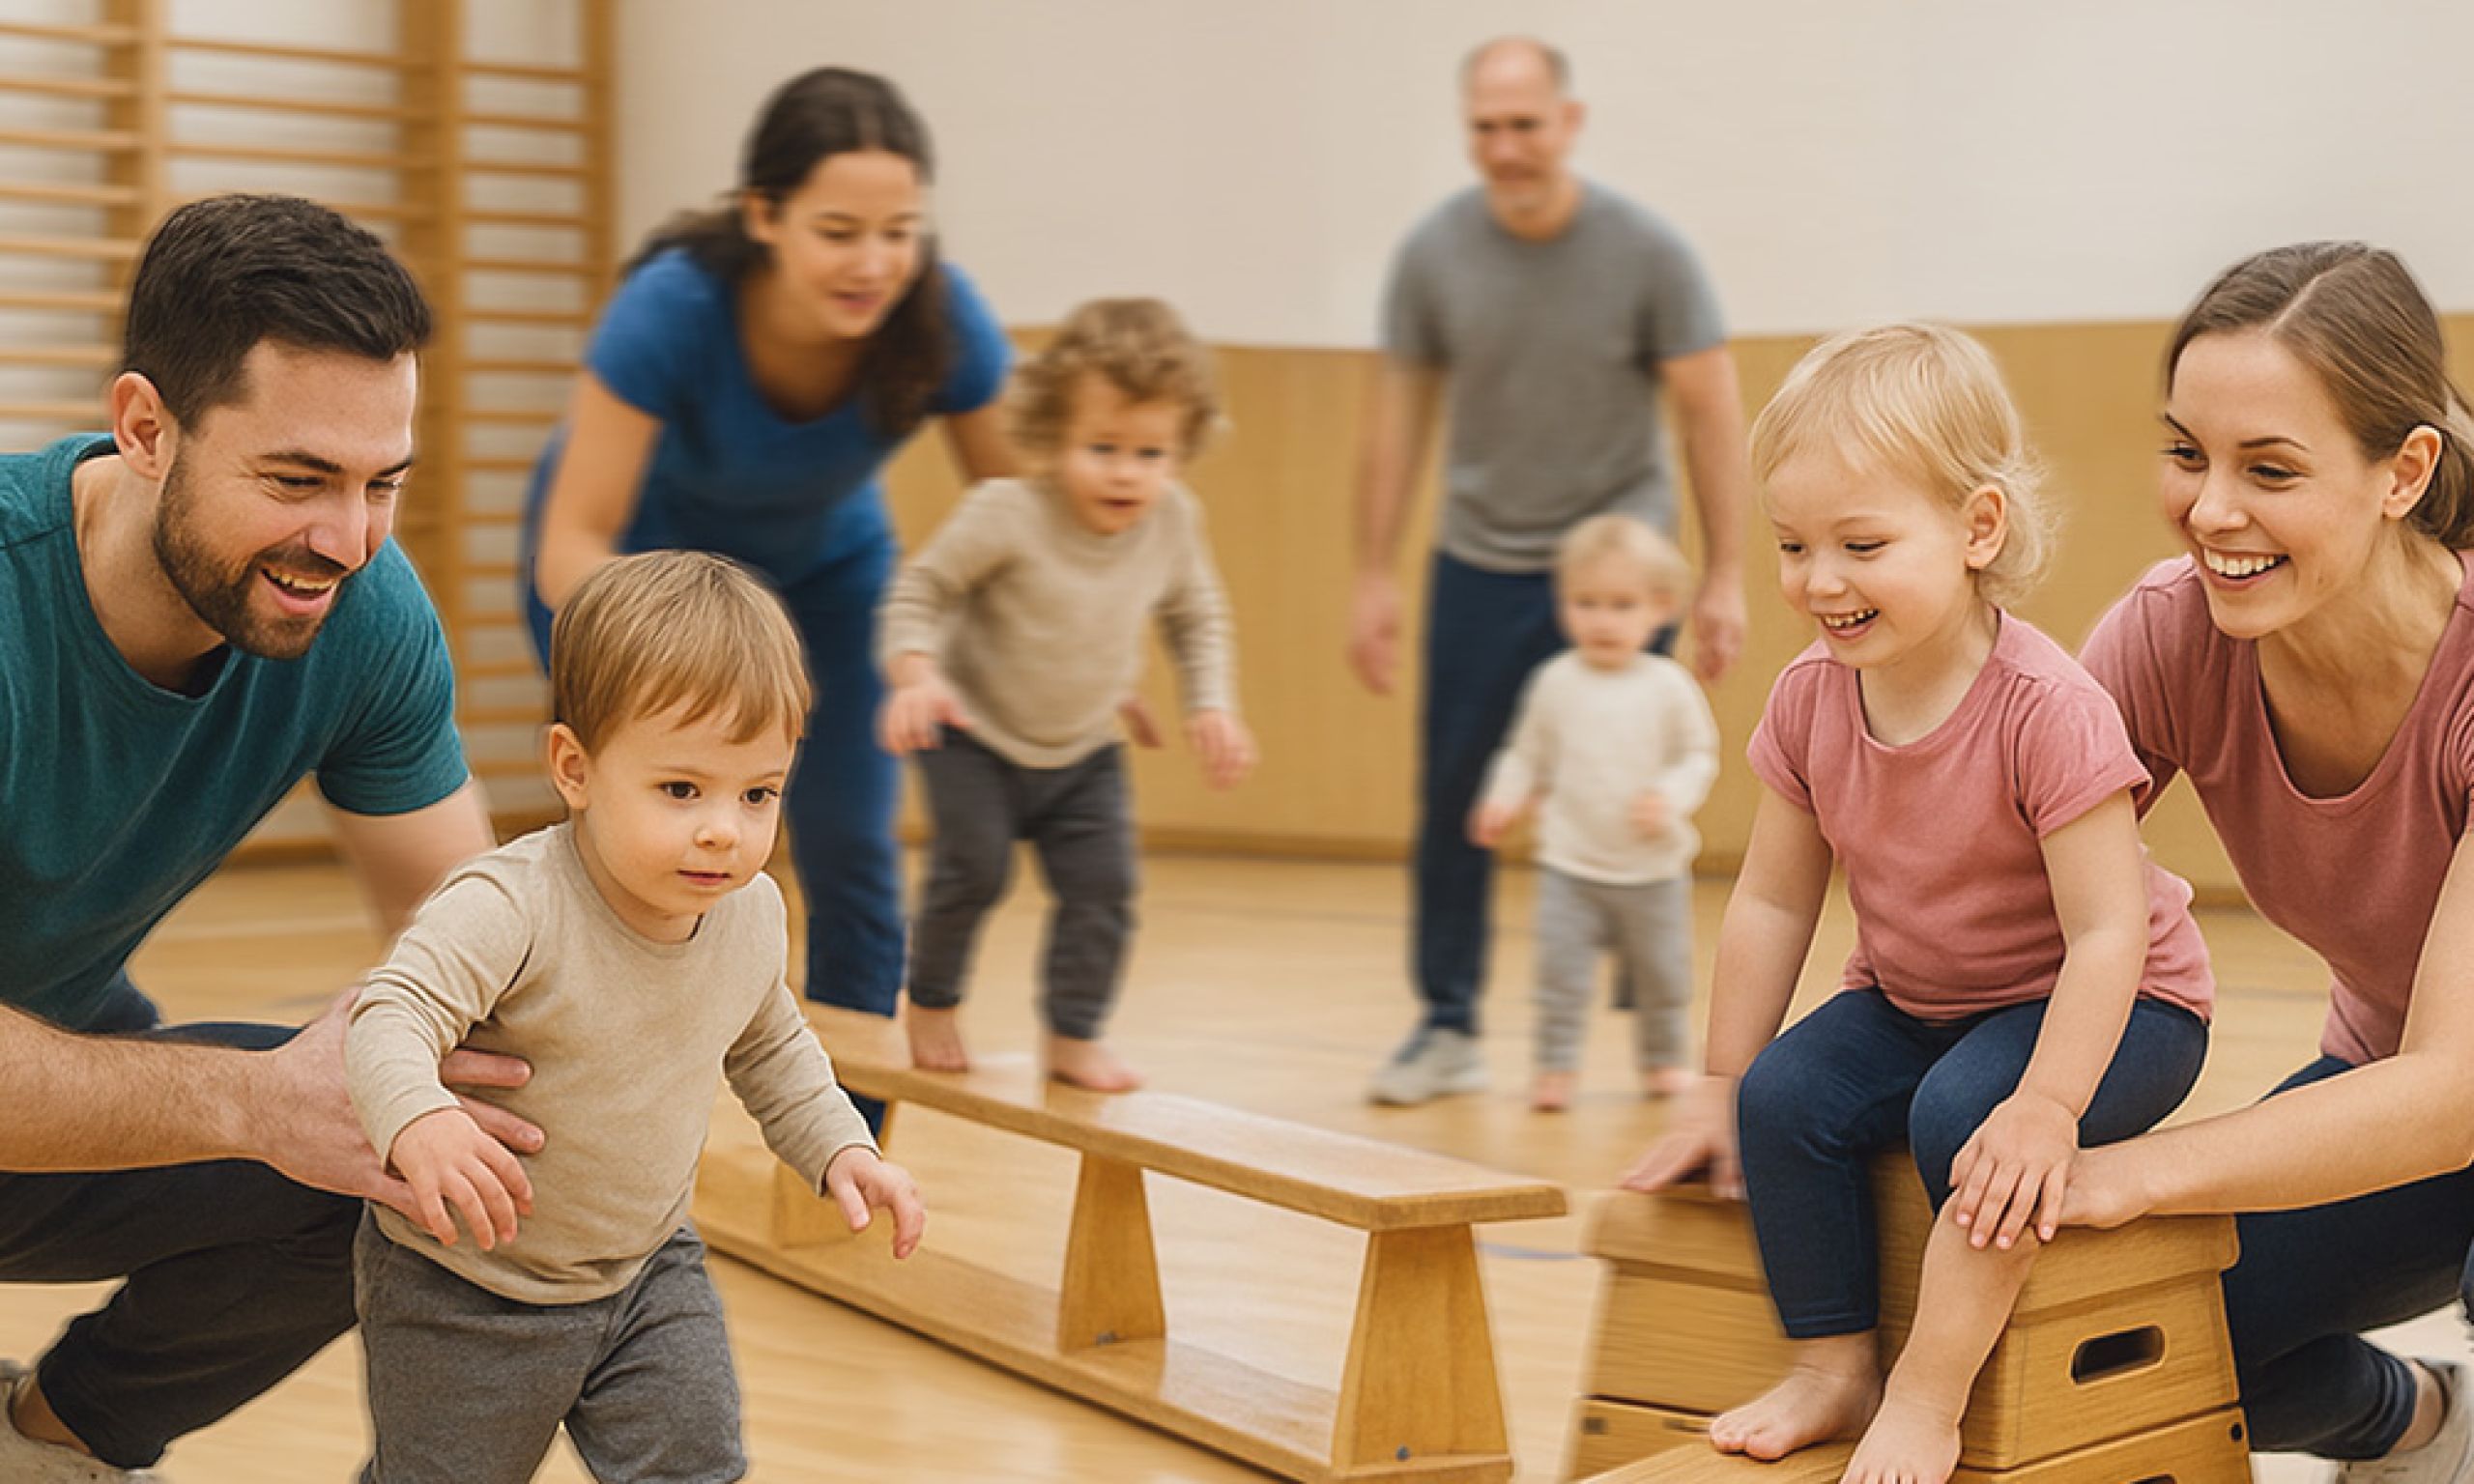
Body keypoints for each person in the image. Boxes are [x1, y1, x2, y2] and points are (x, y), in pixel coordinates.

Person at [0, 193, 538, 1483]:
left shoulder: (363, 615)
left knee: (443, 1128)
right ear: (146, 429)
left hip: (42, 1096)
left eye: (380, 485)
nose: (343, 541)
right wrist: (254, 1099)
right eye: (297, 481)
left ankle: (49, 1444)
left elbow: (478, 949)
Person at [1625, 325, 2213, 1483]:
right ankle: (1831, 1364)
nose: (1818, 581)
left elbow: (2108, 933)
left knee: (1965, 1122)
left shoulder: (2048, 707)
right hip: (1919, 998)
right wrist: (1715, 1085)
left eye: (1861, 543)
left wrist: (2046, 1104)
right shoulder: (1809, 700)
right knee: (1783, 1097)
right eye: (1793, 545)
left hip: (2120, 1005)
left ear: (1976, 529)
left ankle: (1929, 1393)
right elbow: (1770, 904)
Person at [344, 550, 924, 1483]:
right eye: (682, 790)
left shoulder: (751, 913)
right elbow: (388, 1016)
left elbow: (770, 1042)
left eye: (758, 793)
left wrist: (843, 1146)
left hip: (648, 1269)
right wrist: (422, 1119)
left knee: (696, 1467)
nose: (724, 831)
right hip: (468, 1288)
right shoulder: (509, 906)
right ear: (575, 768)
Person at [523, 68, 1016, 1099]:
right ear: (765, 216)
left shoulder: (941, 319)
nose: (873, 263)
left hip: (828, 582)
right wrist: (680, 654)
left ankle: (852, 1145)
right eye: (839, 231)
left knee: (850, 845)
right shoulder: (672, 311)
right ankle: (608, 1102)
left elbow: (1018, 518)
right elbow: (571, 542)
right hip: (631, 584)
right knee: (649, 857)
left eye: (901, 232)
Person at [2063, 243, 2474, 1475]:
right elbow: (1988, 894)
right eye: (2187, 454)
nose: (2211, 511)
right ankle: (2419, 1426)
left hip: (2437, 1095)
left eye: (2270, 470)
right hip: (2392, 1095)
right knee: (2137, 1344)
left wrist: (2131, 1175)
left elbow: (2452, 1087)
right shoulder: (2170, 632)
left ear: (2404, 473)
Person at [1352, 36, 1756, 1105]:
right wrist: (1371, 574)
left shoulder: (1645, 254)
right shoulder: (1434, 254)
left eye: (1524, 124)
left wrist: (1721, 575)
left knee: (1625, 793)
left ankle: (1647, 1023)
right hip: (1480, 559)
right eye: (1485, 127)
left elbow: (1710, 407)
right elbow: (1396, 417)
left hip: (1618, 565)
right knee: (1458, 794)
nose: (1505, 146)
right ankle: (1446, 1022)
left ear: (1567, 124)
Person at [878, 299, 1252, 1093]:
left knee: (1105, 886)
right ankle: (934, 1001)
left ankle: (1074, 1034)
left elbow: (1196, 615)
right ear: (1050, 437)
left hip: (1084, 748)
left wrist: (1210, 703)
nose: (1126, 471)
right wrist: (918, 674)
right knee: (973, 870)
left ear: (1183, 450)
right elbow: (921, 593)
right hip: (972, 730)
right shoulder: (1005, 513)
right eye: (1102, 447)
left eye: (1151, 452)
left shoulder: (1174, 522)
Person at [1470, 514, 1717, 1111]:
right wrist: (1503, 797)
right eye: (1586, 603)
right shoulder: (1554, 682)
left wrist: (1671, 795)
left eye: (1621, 604)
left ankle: (1662, 1058)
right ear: (1563, 605)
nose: (1603, 620)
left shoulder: (1667, 686)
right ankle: (1555, 1067)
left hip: (1651, 872)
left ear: (1659, 608)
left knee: (1663, 974)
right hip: (1570, 866)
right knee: (1561, 975)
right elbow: (1526, 755)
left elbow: (1698, 755)